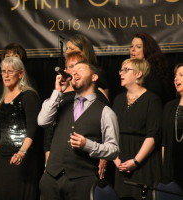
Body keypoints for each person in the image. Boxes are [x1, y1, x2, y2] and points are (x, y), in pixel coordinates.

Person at [38, 61, 119, 200]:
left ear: (94, 77)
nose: (74, 73)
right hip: (51, 179)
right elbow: (42, 121)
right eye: (73, 71)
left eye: (80, 69)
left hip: (82, 182)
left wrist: (88, 145)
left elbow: (113, 150)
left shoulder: (106, 112)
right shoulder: (60, 101)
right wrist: (57, 91)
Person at [0, 57, 43, 200]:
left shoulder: (28, 95)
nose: (6, 75)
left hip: (22, 156)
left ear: (20, 74)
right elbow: (0, 130)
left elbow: (33, 129)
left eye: (10, 71)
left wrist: (22, 152)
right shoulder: (1, 98)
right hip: (3, 155)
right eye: (3, 71)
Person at [113, 58, 162, 200]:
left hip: (143, 162)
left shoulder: (152, 100)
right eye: (120, 70)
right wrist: (116, 159)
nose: (121, 73)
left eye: (126, 70)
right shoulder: (118, 99)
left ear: (138, 74)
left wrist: (136, 161)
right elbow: (111, 132)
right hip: (120, 162)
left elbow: (153, 135)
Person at [129, 32, 174, 104]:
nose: (133, 49)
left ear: (147, 49)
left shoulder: (153, 72)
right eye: (131, 46)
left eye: (138, 47)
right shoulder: (130, 70)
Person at [65, 34, 109, 98]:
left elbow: (104, 100)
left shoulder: (98, 73)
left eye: (71, 49)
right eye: (66, 48)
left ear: (83, 51)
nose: (67, 52)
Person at [162, 63, 183, 188]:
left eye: (181, 75)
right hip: (172, 166)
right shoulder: (170, 106)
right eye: (175, 76)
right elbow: (164, 141)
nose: (176, 79)